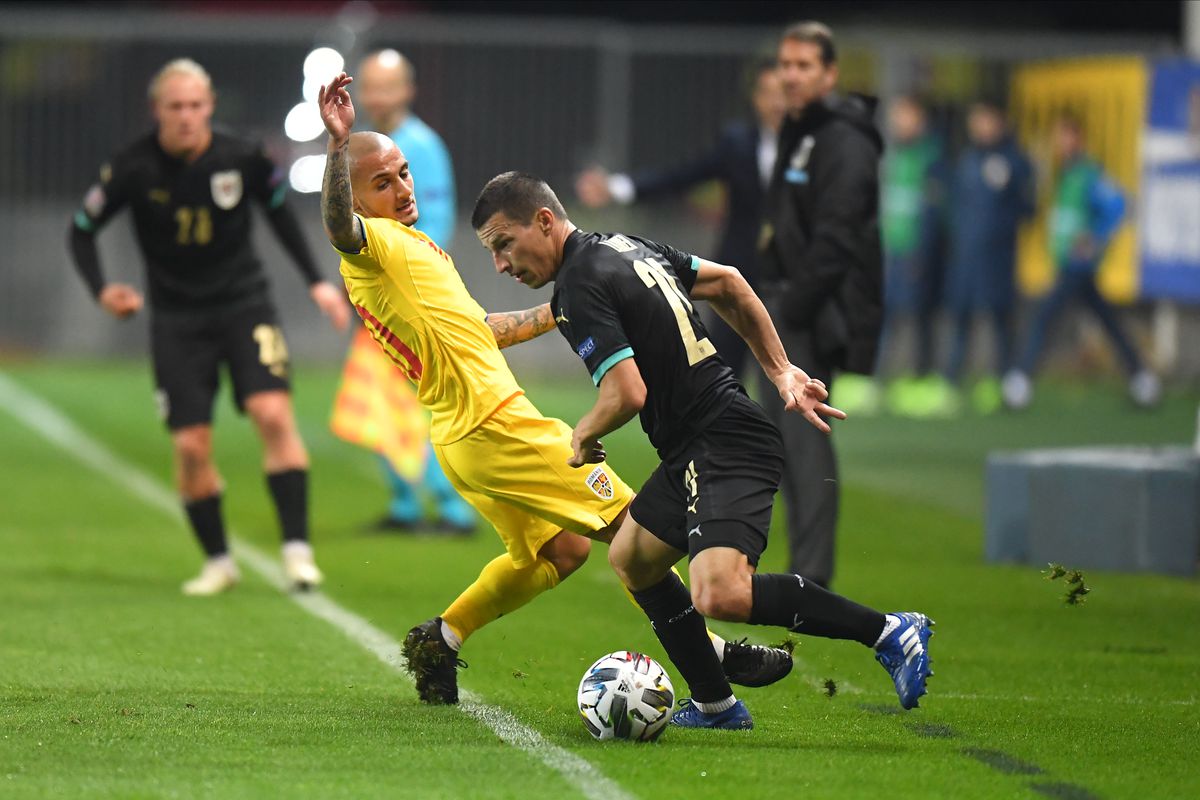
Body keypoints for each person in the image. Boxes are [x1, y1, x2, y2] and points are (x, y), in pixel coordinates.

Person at [316, 73, 791, 706]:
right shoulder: (370, 245)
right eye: (383, 182)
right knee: (636, 530)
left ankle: (442, 637)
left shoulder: (409, 249)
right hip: (496, 425)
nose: (403, 188)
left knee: (561, 552)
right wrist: (337, 146)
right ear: (356, 195)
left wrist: (562, 307)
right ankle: (714, 653)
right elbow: (339, 226)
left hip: (466, 435)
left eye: (403, 173)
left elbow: (481, 330)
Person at [472, 171, 935, 729]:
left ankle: (888, 630)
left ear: (544, 221)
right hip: (696, 443)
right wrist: (781, 370)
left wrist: (584, 433)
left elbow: (626, 393)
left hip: (723, 439)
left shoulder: (578, 284)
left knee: (721, 593)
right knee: (631, 559)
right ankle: (716, 703)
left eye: (504, 244)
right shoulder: (623, 246)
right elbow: (728, 282)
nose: (501, 263)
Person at [67, 58, 350, 595]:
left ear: (210, 106)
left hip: (245, 305)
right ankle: (219, 562)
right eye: (175, 106)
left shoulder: (241, 155)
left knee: (273, 414)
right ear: (157, 110)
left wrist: (317, 281)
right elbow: (81, 230)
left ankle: (298, 554)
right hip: (177, 319)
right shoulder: (132, 166)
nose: (186, 116)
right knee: (192, 446)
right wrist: (102, 289)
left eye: (196, 105)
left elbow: (279, 212)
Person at [758, 22, 884, 589]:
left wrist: (792, 309)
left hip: (812, 311)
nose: (791, 75)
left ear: (830, 74)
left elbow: (839, 237)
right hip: (789, 304)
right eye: (785, 64)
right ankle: (802, 569)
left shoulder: (844, 140)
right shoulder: (804, 129)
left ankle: (811, 578)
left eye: (804, 65)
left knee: (805, 442)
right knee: (783, 441)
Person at [329, 48, 475, 533]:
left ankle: (450, 506)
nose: (377, 96)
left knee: (423, 398)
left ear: (408, 90)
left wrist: (404, 278)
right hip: (380, 288)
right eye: (370, 85)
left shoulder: (420, 147)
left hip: (409, 294)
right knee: (380, 395)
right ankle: (406, 503)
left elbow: (434, 221)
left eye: (387, 86)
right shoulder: (369, 145)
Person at [574, 60, 786, 379]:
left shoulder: (811, 143)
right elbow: (684, 175)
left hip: (788, 277)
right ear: (755, 98)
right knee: (727, 370)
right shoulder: (737, 142)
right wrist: (618, 187)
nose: (776, 102)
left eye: (782, 92)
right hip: (740, 267)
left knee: (786, 371)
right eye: (768, 93)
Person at [1003, 115, 1160, 409]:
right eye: (1057, 137)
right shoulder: (1065, 174)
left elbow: (1120, 205)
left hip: (1078, 265)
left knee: (1044, 316)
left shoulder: (1088, 174)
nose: (1060, 143)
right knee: (1107, 321)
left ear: (1079, 138)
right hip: (1068, 264)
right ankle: (1142, 380)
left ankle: (1019, 380)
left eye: (1066, 136)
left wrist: (1095, 238)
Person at [942, 100, 1035, 412]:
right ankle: (951, 381)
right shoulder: (968, 159)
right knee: (961, 317)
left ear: (1000, 121)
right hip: (966, 256)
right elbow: (955, 205)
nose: (980, 126)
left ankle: (1005, 380)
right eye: (976, 119)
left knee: (1000, 319)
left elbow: (1028, 207)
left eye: (986, 119)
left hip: (998, 258)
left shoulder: (1015, 161)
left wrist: (999, 230)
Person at [876, 95, 953, 418]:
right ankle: (879, 378)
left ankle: (924, 378)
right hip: (893, 249)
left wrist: (923, 250)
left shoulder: (932, 158)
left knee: (920, 314)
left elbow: (936, 212)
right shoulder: (896, 154)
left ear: (920, 117)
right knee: (887, 313)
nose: (898, 122)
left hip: (919, 252)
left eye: (904, 115)